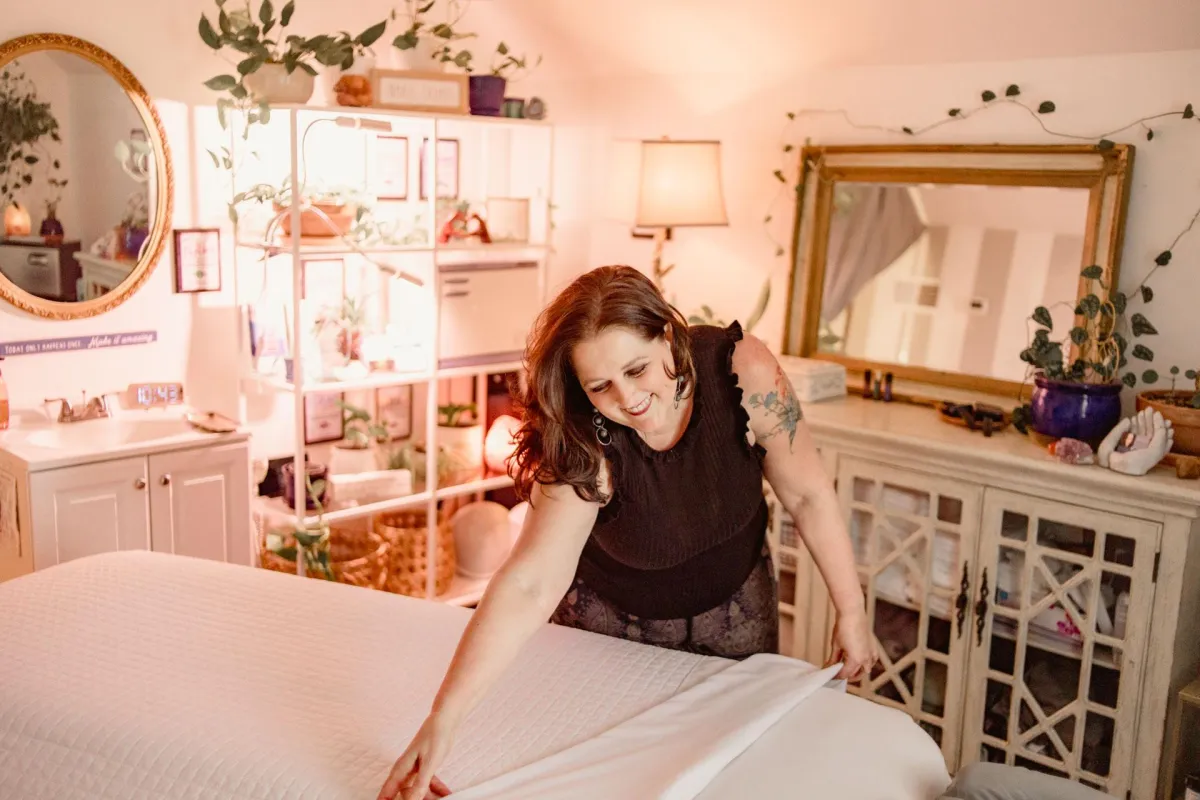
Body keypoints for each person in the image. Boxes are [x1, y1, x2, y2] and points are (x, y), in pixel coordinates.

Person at [377, 265, 876, 800]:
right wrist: (444, 717)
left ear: (667, 334)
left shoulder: (742, 369)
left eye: (637, 369)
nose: (628, 398)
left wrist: (851, 610)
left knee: (734, 775)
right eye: (601, 386)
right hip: (611, 625)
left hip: (737, 605)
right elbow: (530, 583)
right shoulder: (581, 436)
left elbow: (807, 494)